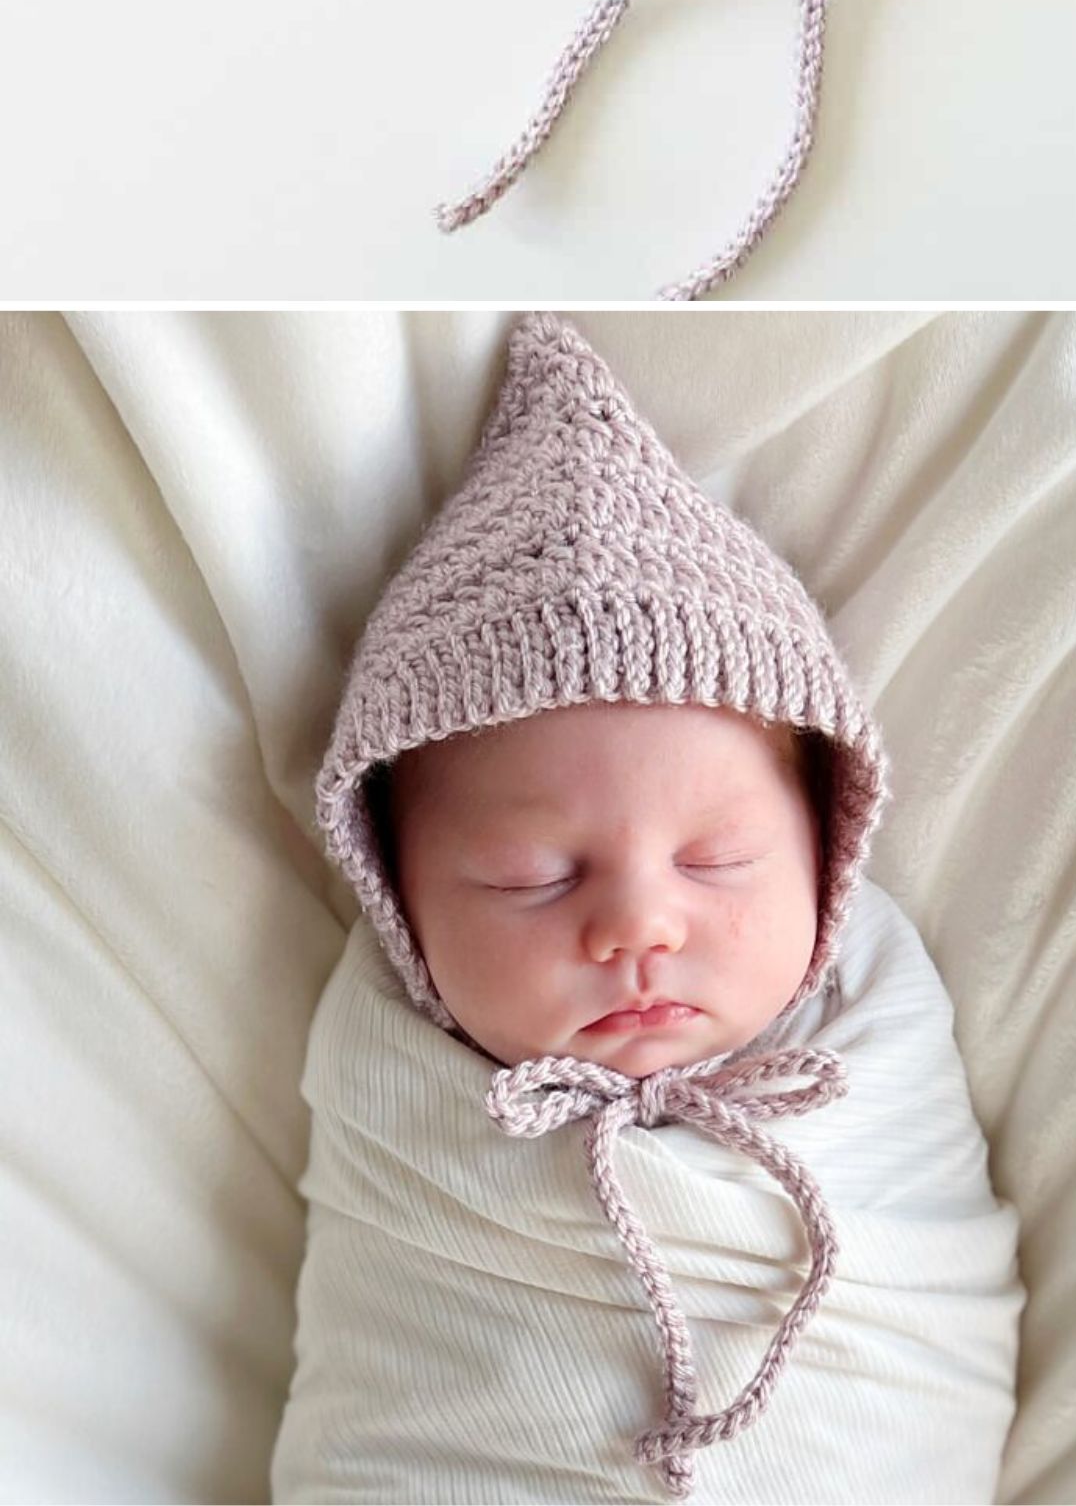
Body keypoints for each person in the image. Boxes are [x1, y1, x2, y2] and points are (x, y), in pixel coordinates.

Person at [271, 313, 1024, 1504]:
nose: (639, 928)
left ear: (829, 853)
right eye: (534, 878)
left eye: (719, 860)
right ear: (398, 905)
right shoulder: (378, 1062)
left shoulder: (878, 1021)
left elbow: (920, 1294)